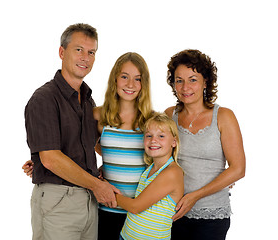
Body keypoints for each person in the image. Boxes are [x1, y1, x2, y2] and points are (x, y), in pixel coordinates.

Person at [24, 23, 120, 240]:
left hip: (89, 201)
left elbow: (87, 147)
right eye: (78, 50)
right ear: (61, 52)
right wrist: (97, 185)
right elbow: (51, 159)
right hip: (59, 201)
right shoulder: (44, 99)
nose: (85, 57)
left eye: (91, 52)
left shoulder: (88, 101)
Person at [164, 49, 246, 240]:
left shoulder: (224, 116)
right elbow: (155, 155)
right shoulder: (169, 115)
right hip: (172, 212)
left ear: (205, 82)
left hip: (211, 215)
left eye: (193, 79)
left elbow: (238, 169)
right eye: (179, 80)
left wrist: (194, 196)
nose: (185, 87)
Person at [93, 52, 153, 239]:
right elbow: (80, 146)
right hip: (108, 208)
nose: (130, 84)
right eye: (124, 77)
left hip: (142, 213)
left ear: (144, 84)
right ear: (115, 79)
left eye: (137, 79)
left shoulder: (152, 120)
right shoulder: (99, 116)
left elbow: (167, 160)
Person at [116, 112, 184, 240]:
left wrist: (107, 193)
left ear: (174, 142)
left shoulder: (172, 172)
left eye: (161, 136)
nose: (153, 140)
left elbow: (135, 207)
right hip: (125, 236)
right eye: (149, 135)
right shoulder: (149, 169)